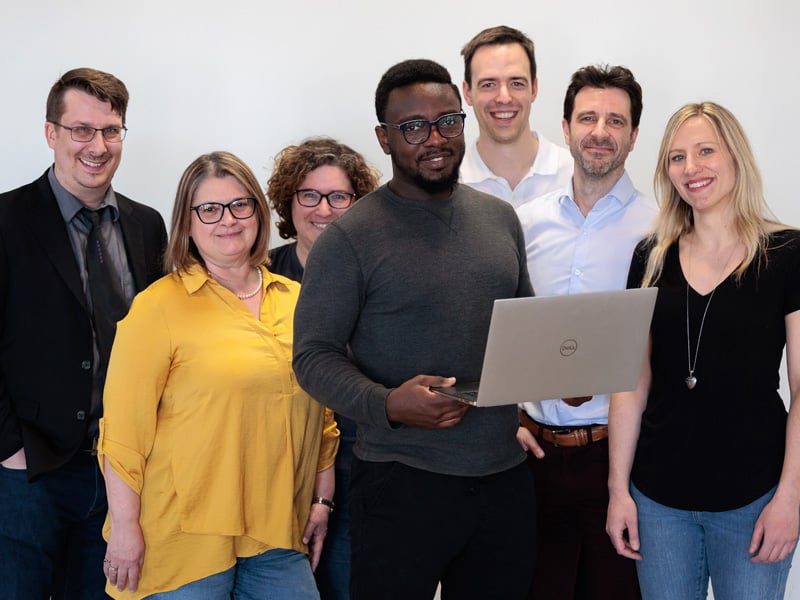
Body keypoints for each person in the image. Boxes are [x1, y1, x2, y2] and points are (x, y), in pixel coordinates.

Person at [292, 58, 536, 600]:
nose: (435, 139)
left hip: (503, 478)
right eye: (413, 127)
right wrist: (388, 405)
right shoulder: (349, 239)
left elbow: (524, 333)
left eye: (448, 121)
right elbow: (312, 357)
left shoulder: (500, 220)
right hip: (401, 483)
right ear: (384, 138)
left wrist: (559, 374)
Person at [97, 151, 339, 599]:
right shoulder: (158, 307)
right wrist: (126, 529)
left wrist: (321, 500)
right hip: (182, 539)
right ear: (186, 224)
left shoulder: (297, 300)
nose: (227, 219)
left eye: (240, 205)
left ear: (258, 213)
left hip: (275, 532)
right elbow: (123, 435)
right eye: (209, 209)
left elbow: (322, 418)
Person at [606, 102, 800, 599]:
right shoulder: (650, 258)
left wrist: (791, 499)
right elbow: (631, 382)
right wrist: (618, 492)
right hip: (658, 502)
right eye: (676, 157)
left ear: (735, 156)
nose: (691, 169)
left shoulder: (788, 255)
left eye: (705, 151)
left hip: (754, 498)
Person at [0, 67, 167, 599]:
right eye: (81, 130)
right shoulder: (5, 219)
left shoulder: (147, 225)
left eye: (111, 130)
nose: (97, 145)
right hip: (28, 472)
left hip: (121, 471)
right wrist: (10, 449)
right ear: (52, 133)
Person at [515, 65, 655, 600]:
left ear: (634, 135)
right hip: (533, 457)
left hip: (619, 459)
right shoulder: (522, 222)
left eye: (615, 120)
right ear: (567, 128)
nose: (600, 130)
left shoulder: (661, 229)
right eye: (588, 117)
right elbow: (489, 329)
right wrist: (504, 416)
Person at [267, 137, 380, 599]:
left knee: (345, 583)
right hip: (276, 465)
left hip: (354, 465)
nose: (324, 209)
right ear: (287, 202)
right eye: (309, 195)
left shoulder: (378, 276)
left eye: (339, 197)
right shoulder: (259, 275)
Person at [459, 25, 572, 208]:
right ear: (468, 92)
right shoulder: (452, 183)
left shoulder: (574, 176)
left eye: (516, 83)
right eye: (488, 84)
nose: (504, 97)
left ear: (534, 89)